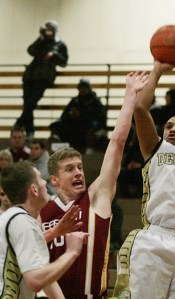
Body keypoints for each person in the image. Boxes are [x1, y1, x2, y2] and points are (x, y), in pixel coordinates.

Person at [112, 35, 175, 299]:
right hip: (155, 238)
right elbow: (139, 108)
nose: (172, 129)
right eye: (168, 125)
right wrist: (157, 68)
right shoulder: (156, 148)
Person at [40, 71, 149, 298]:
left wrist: (130, 94)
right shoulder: (43, 212)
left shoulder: (95, 197)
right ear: (54, 180)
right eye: (70, 169)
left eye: (79, 167)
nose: (79, 172)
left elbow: (117, 143)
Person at [0, 161, 88, 298]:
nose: (45, 183)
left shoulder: (10, 219)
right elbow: (36, 280)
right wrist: (72, 252)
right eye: (41, 178)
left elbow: (42, 275)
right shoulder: (23, 223)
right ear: (34, 189)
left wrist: (54, 232)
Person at [15, 20, 68, 138]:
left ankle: (18, 124)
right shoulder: (42, 41)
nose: (48, 31)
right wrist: (41, 37)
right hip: (30, 75)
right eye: (47, 29)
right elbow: (30, 50)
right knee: (28, 103)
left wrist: (53, 54)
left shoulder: (60, 44)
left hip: (44, 77)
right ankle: (29, 130)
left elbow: (64, 62)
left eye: (50, 29)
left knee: (31, 102)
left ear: (54, 30)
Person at [49, 78, 107, 153]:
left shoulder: (95, 101)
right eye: (81, 88)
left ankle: (89, 149)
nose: (83, 90)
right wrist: (70, 115)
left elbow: (98, 117)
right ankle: (58, 146)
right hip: (75, 124)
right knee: (56, 125)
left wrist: (81, 115)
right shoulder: (75, 100)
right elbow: (64, 115)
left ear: (89, 89)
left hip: (88, 124)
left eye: (85, 88)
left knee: (90, 128)